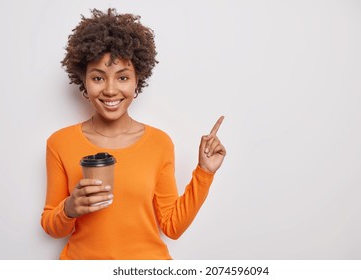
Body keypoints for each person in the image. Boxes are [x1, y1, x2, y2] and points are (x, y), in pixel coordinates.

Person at [40, 8, 226, 260]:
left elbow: (172, 226)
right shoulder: (60, 143)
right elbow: (52, 226)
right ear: (83, 80)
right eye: (97, 78)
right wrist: (69, 209)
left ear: (138, 80)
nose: (110, 89)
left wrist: (205, 173)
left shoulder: (159, 143)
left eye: (123, 77)